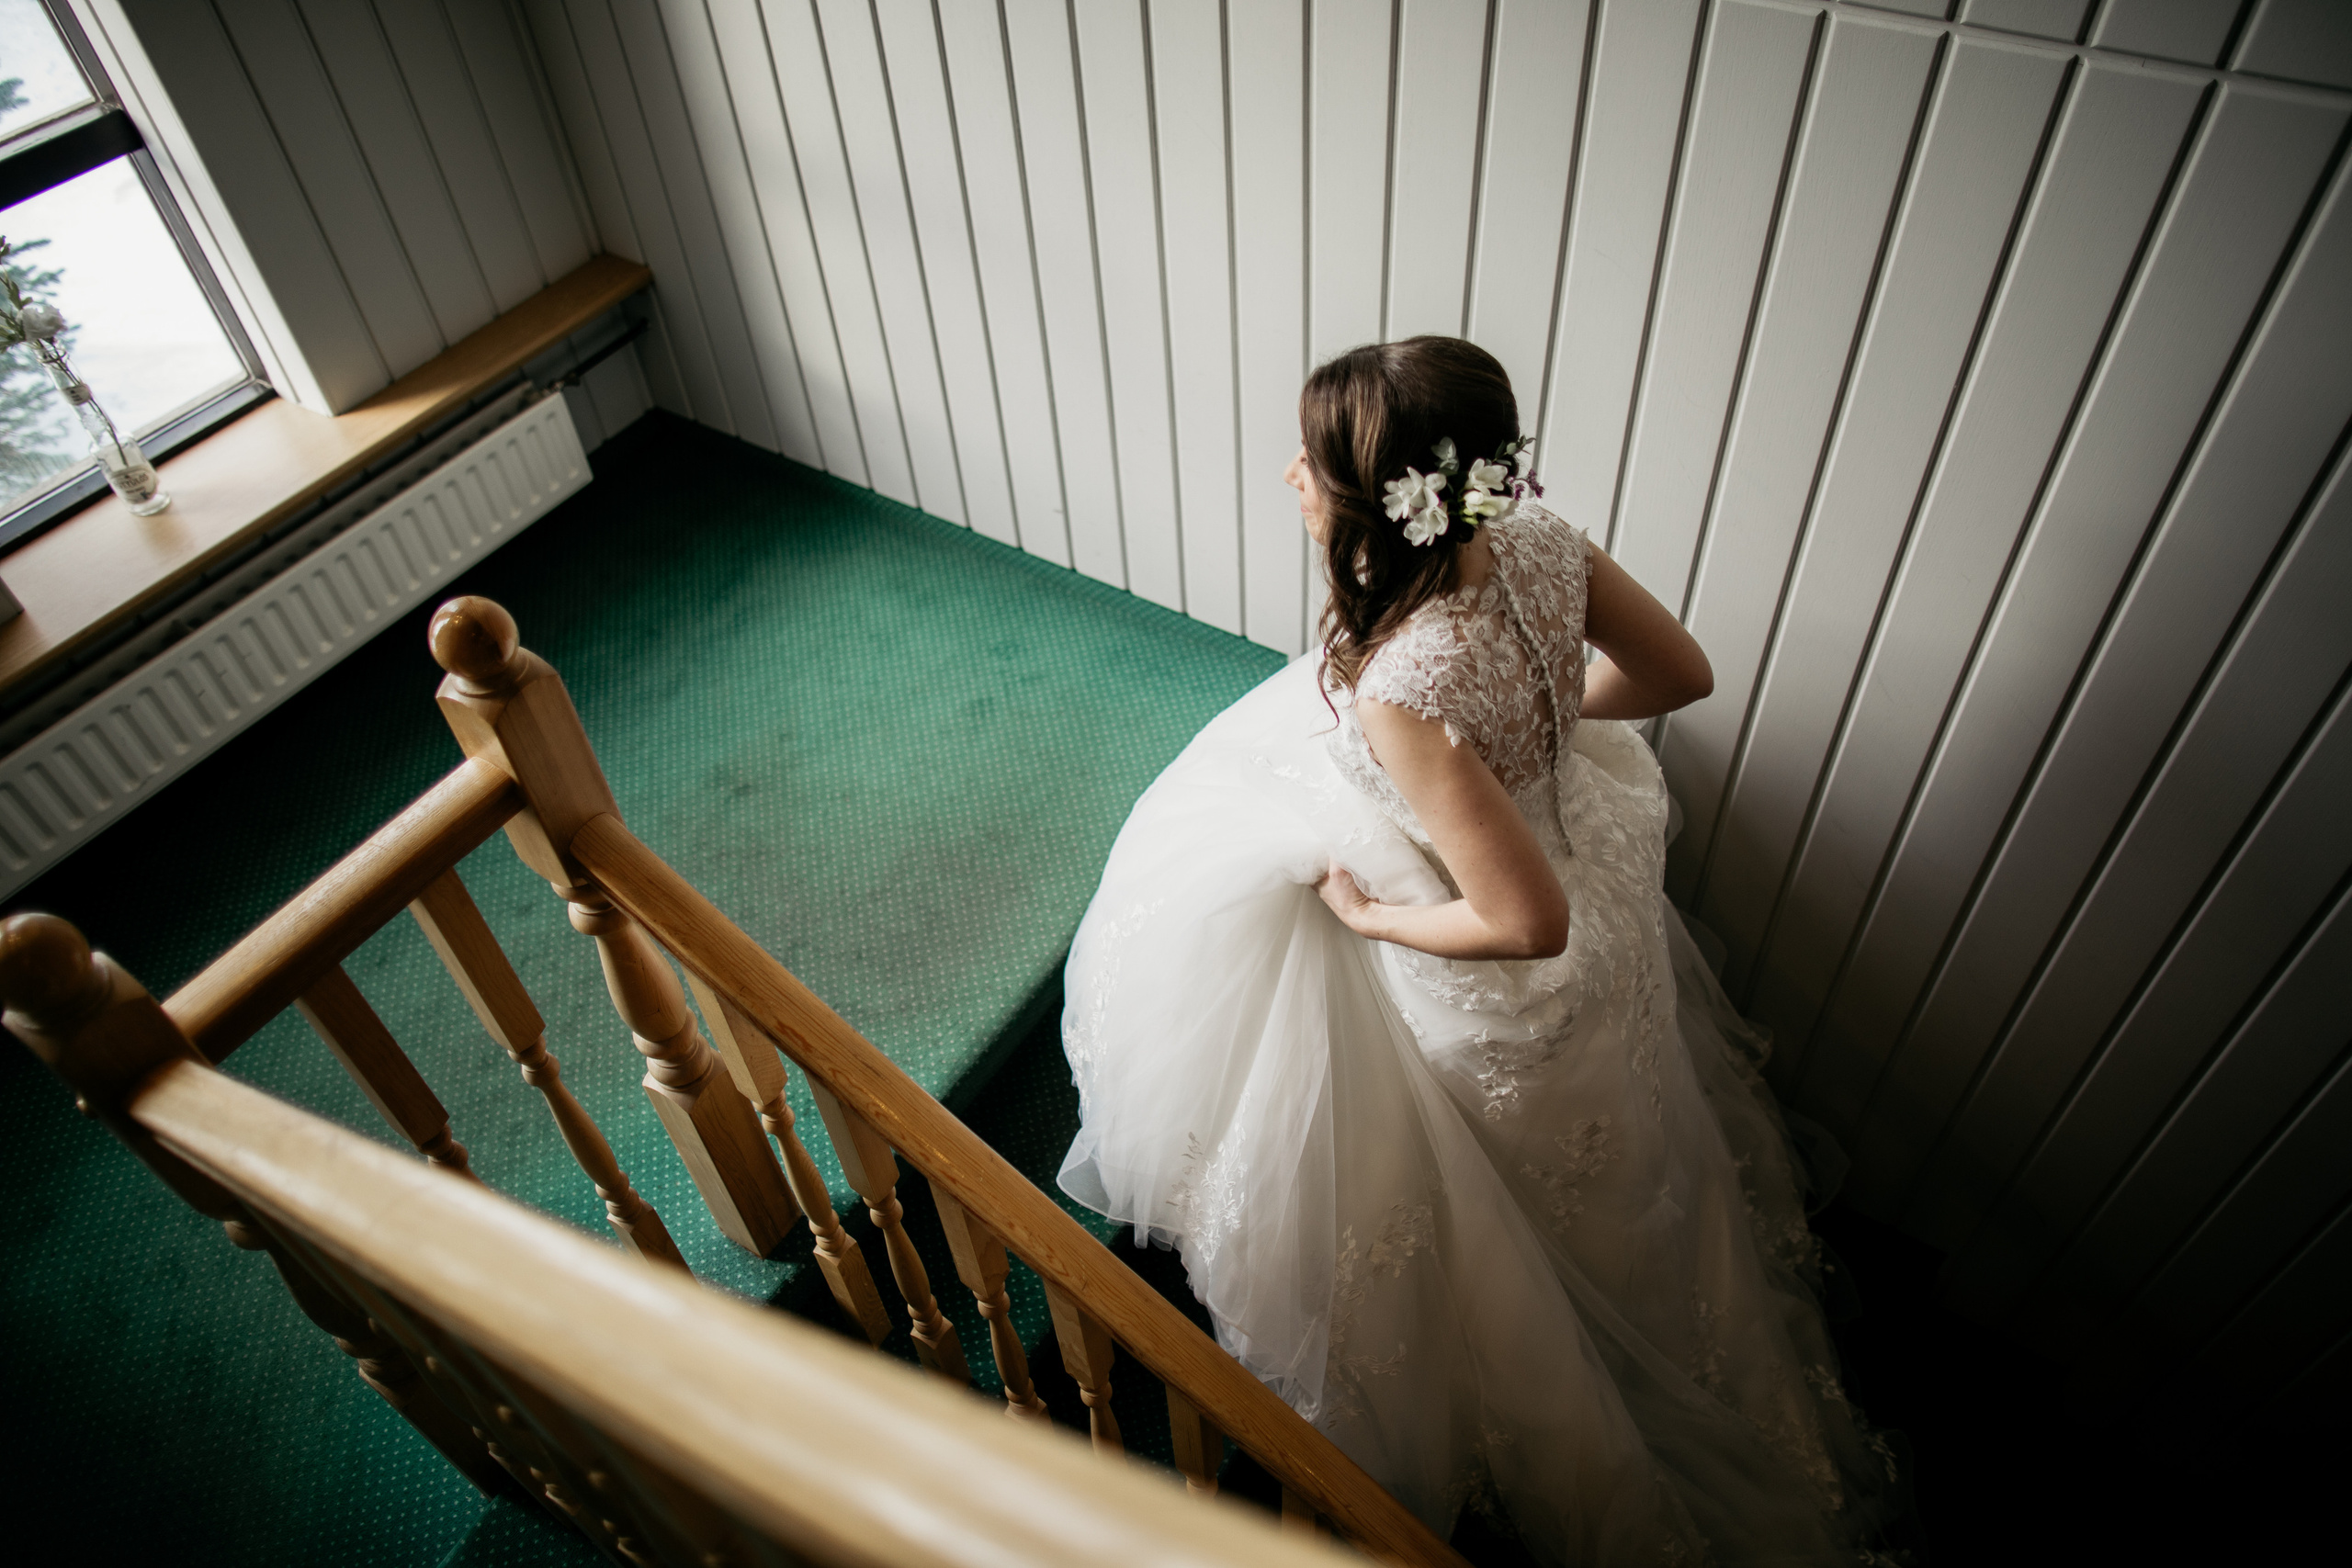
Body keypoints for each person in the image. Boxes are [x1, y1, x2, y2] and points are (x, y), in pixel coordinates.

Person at [1057, 337, 1899, 1564]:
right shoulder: (1545, 541)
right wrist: (1540, 724)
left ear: (1376, 500)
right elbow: (1682, 672)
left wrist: (1373, 917)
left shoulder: (1405, 681)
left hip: (1518, 952)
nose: (1292, 470)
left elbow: (1522, 924)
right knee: (1627, 1173)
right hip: (1607, 893)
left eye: (1316, 462)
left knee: (1513, 1199)